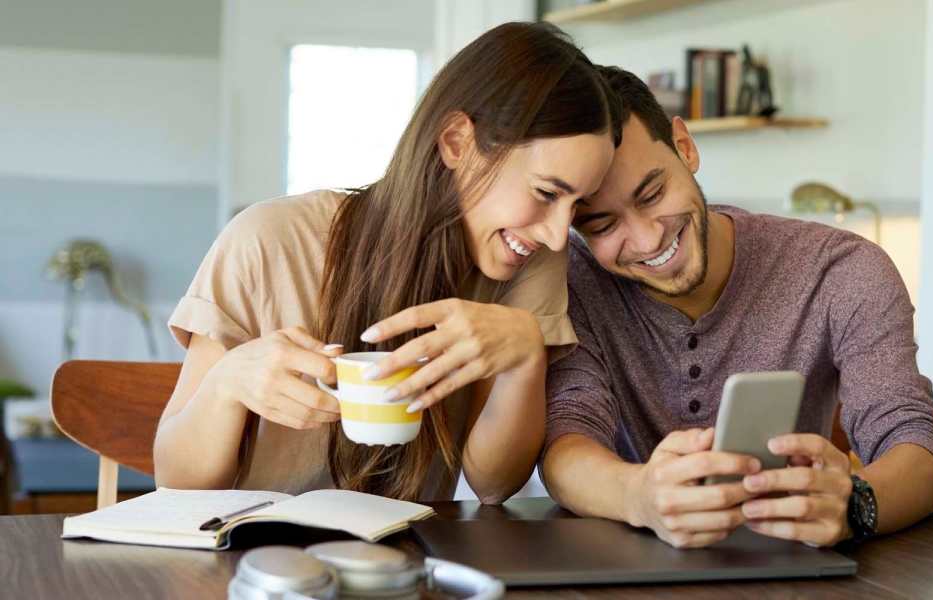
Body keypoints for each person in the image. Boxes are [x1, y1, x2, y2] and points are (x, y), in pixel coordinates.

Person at [154, 22, 620, 504]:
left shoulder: (529, 260)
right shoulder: (267, 241)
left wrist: (523, 359)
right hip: (257, 560)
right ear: (457, 142)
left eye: (576, 206)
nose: (555, 232)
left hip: (408, 562)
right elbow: (173, 479)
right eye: (546, 193)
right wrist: (227, 386)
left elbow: (493, 485)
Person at [542, 66, 933, 548]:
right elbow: (565, 442)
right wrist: (639, 496)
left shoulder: (842, 270)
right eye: (603, 225)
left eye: (652, 194)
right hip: (623, 569)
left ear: (685, 148)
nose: (648, 238)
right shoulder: (572, 286)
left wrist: (855, 504)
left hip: (791, 566)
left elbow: (917, 445)